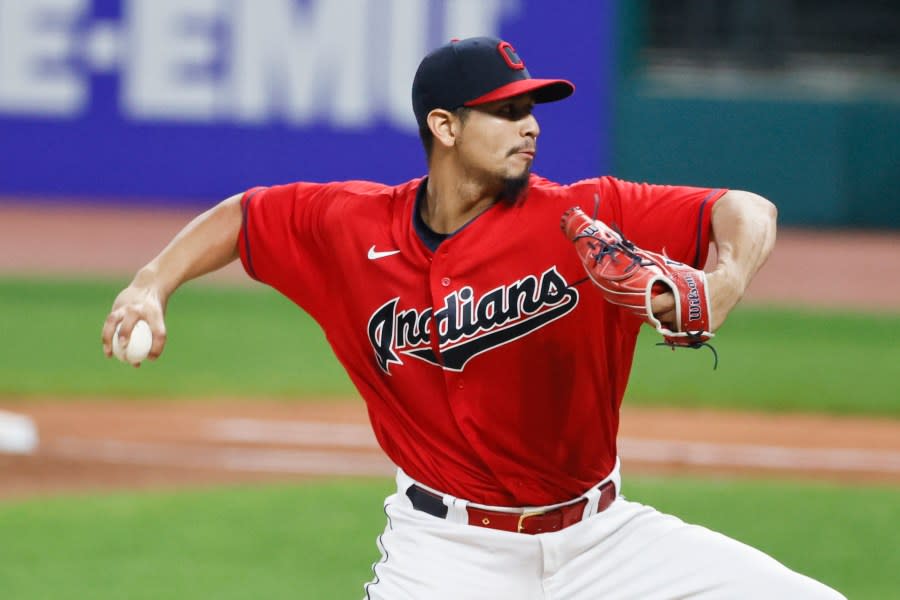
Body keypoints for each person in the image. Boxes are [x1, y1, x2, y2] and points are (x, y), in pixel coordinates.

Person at [102, 37, 844, 599]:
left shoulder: (585, 212)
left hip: (605, 541)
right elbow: (244, 217)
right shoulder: (346, 226)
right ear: (445, 127)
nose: (531, 127)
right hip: (446, 557)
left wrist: (724, 279)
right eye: (508, 110)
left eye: (533, 110)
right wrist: (150, 283)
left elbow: (746, 210)